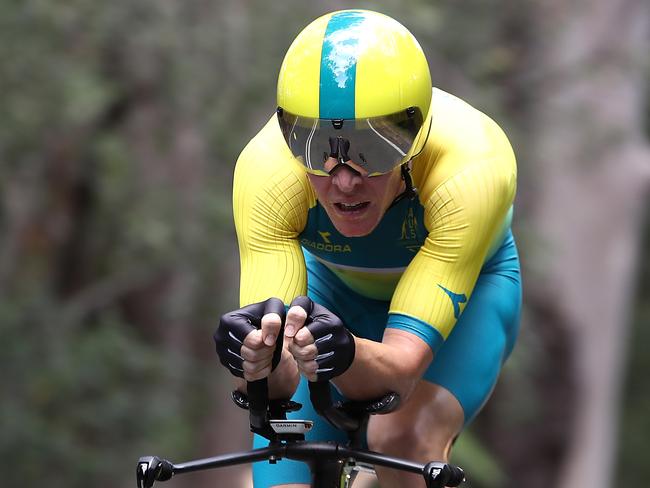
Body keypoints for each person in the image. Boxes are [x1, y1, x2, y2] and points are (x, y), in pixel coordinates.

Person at [214, 9, 521, 488]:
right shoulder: (266, 173)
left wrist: (346, 354)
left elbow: (397, 374)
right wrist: (254, 363)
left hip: (470, 295)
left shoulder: (472, 169)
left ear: (414, 138)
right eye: (317, 149)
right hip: (331, 288)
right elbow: (274, 389)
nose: (343, 181)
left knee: (402, 438)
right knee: (283, 450)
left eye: (371, 150)